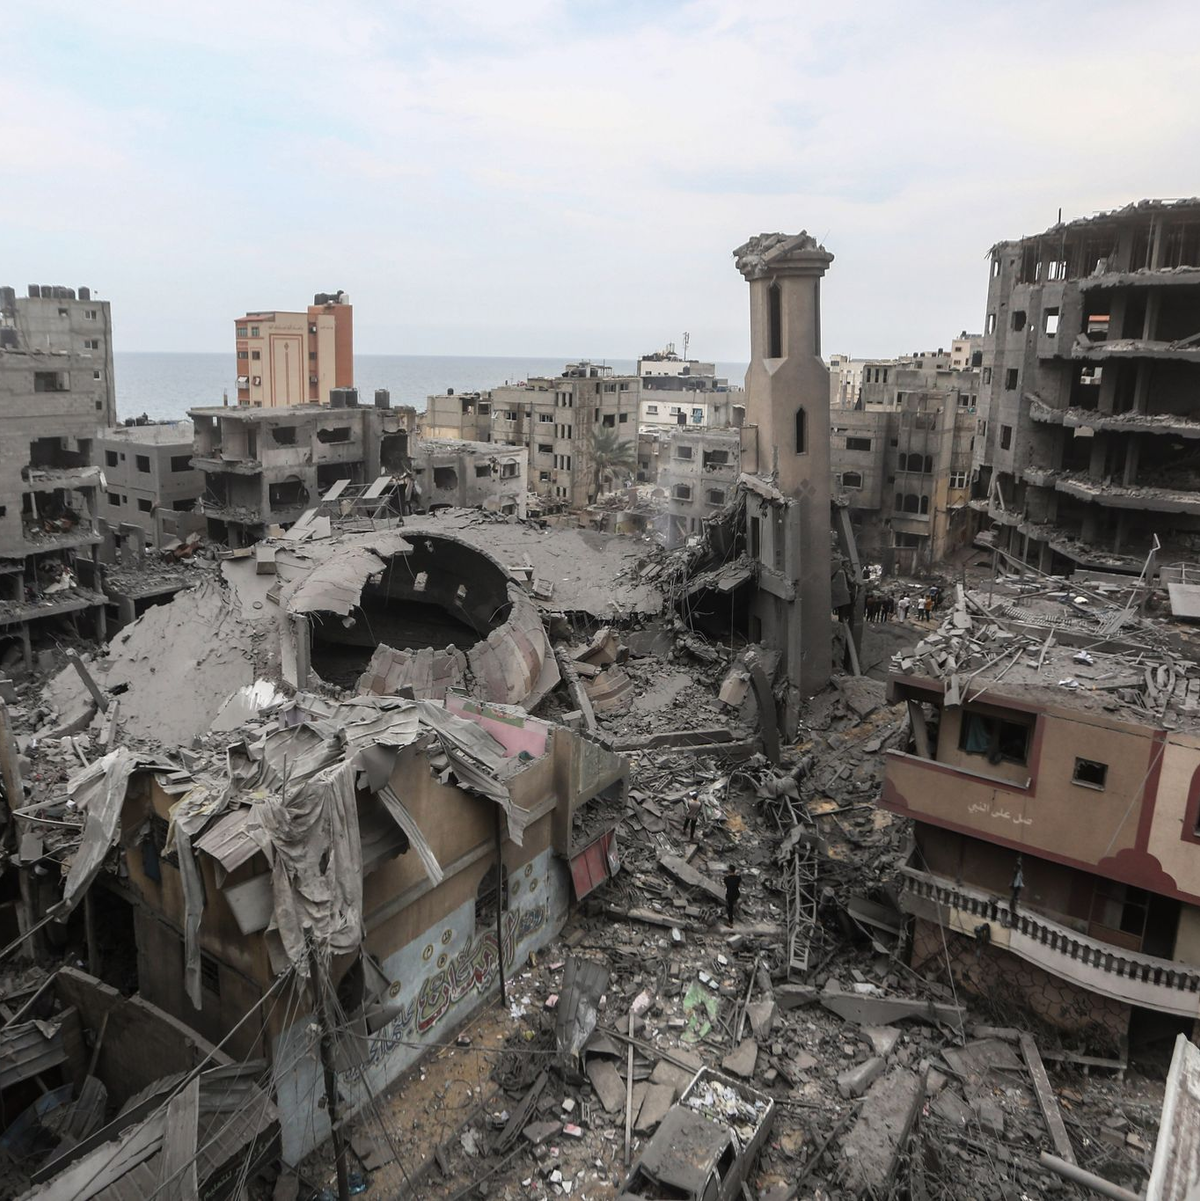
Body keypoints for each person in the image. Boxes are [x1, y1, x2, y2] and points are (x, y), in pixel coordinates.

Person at [1009, 854, 1024, 922]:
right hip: (1016, 885)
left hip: (1016, 885)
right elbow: (1016, 877)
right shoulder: (1017, 870)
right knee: (1014, 896)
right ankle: (1013, 907)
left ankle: (1013, 906)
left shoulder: (1018, 870)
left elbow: (1017, 877)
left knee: (1015, 896)